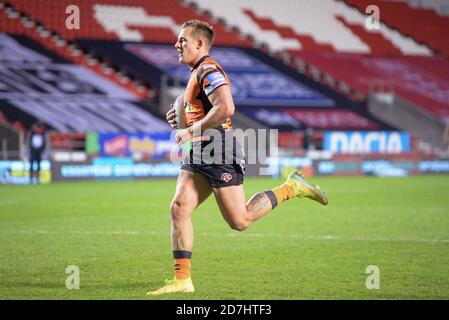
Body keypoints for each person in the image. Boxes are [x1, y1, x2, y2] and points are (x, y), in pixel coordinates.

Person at [147, 20, 328, 296]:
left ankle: (292, 187)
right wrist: (180, 111)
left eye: (182, 40)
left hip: (218, 148)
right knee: (179, 208)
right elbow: (197, 106)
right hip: (201, 150)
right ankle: (183, 280)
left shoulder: (209, 69)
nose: (177, 44)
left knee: (240, 221)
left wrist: (190, 129)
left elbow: (226, 107)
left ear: (199, 44)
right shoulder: (197, 72)